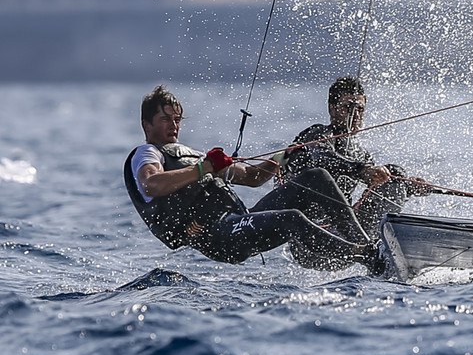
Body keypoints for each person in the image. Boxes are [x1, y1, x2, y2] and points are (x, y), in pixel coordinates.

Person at [124, 85, 383, 272]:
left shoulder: (192, 156)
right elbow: (152, 184)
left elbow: (252, 177)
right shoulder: (147, 153)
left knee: (315, 178)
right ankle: (367, 257)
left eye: (177, 119)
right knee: (292, 218)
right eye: (165, 119)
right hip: (218, 235)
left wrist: (284, 156)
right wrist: (205, 168)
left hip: (239, 219)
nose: (174, 125)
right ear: (146, 124)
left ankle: (368, 244)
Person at [282, 77, 433, 234]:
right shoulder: (316, 134)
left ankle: (377, 246)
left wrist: (409, 187)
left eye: (360, 109)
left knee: (394, 174)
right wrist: (362, 170)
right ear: (332, 108)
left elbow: (376, 190)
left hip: (345, 228)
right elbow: (323, 160)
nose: (355, 115)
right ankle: (366, 248)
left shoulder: (360, 154)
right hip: (309, 231)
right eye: (348, 108)